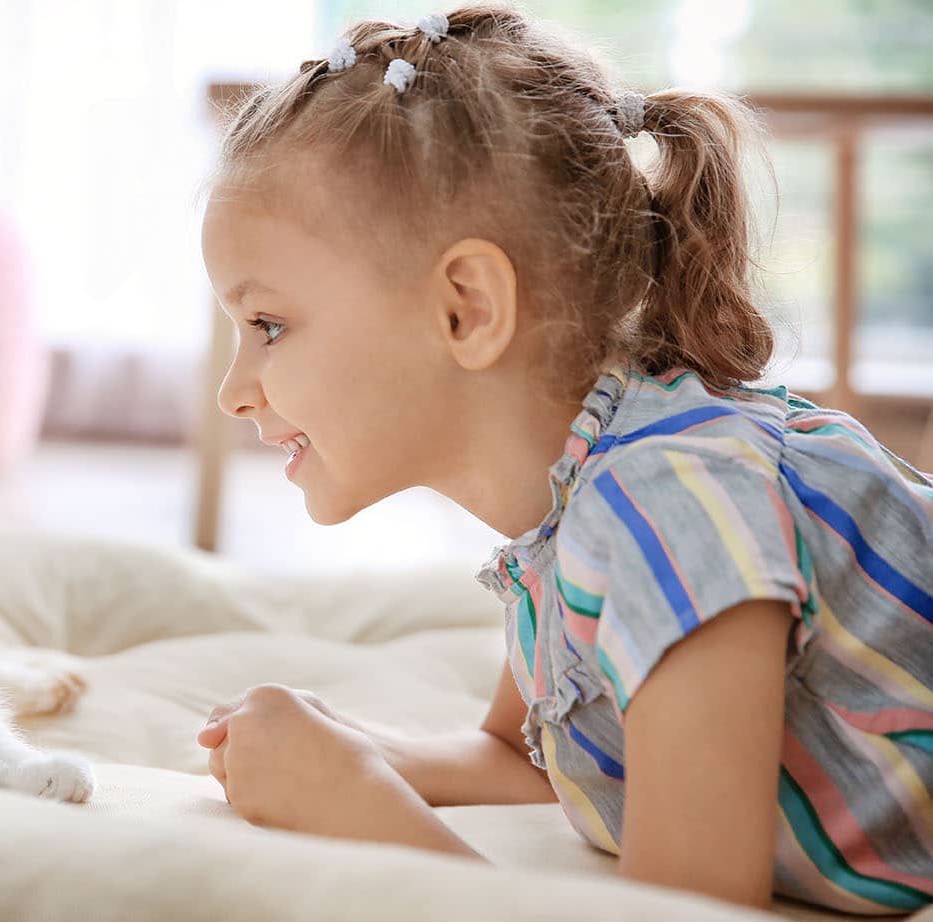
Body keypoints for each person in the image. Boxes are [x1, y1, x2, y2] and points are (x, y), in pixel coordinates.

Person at [194, 5, 933, 914]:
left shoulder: (671, 505)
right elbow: (527, 761)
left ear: (467, 307)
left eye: (268, 325)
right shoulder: (572, 512)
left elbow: (688, 912)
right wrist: (356, 750)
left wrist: (358, 812)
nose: (234, 389)